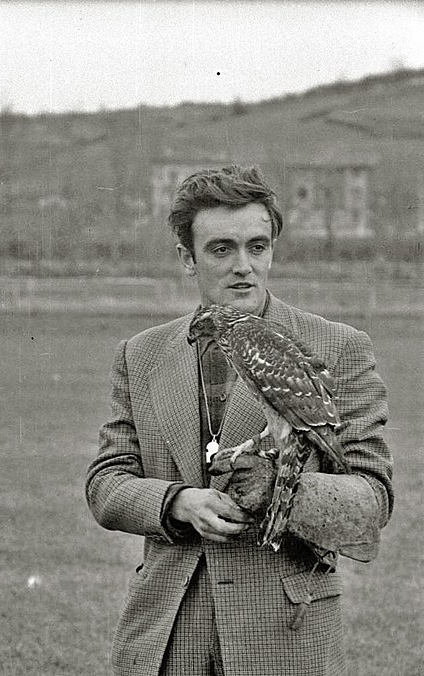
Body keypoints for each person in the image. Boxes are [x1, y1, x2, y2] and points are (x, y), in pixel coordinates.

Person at [85, 165, 393, 676]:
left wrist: (282, 490)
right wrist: (177, 502)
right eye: (221, 249)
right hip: (168, 635)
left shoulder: (338, 348)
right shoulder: (141, 355)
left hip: (284, 638)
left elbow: (373, 500)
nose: (243, 266)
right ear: (188, 258)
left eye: (258, 246)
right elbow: (105, 482)